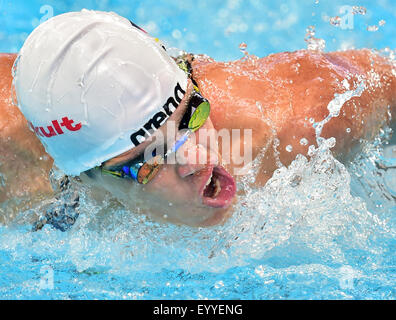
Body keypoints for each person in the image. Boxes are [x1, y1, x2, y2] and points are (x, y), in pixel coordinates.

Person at [0, 10, 395, 229]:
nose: (196, 158)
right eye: (151, 157)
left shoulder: (300, 120)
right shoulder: (12, 162)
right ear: (85, 175)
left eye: (190, 113)